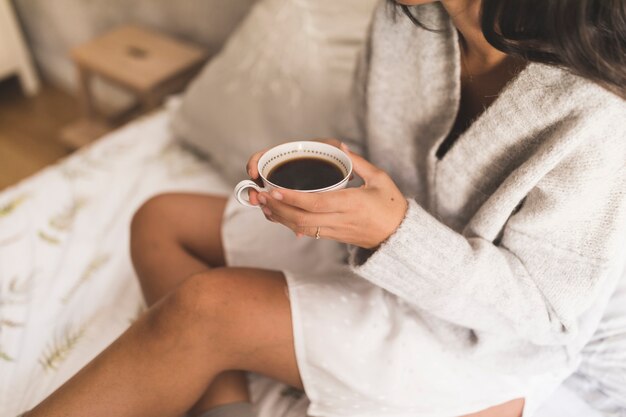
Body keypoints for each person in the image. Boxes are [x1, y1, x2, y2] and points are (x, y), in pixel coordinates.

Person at [25, 0, 626, 416]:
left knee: (206, 308)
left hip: (482, 340)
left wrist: (396, 233)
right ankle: (225, 406)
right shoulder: (408, 20)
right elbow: (364, 140)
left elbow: (546, 314)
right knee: (159, 218)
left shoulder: (599, 112)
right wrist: (328, 199)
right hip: (385, 254)